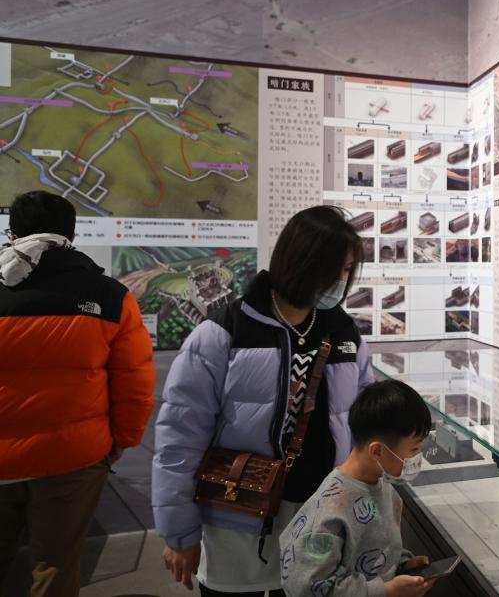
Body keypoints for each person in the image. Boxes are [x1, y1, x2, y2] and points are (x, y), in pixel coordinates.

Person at [153, 205, 371, 596]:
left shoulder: (345, 334)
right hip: (237, 523)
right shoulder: (224, 332)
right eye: (335, 270)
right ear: (302, 263)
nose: (342, 281)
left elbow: (364, 421)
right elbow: (179, 439)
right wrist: (179, 533)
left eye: (347, 270)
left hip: (317, 522)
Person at [0, 191, 155, 597]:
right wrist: (122, 441)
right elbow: (134, 381)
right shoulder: (110, 296)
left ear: (12, 234)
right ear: (71, 235)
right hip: (72, 458)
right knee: (55, 566)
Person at [279, 380, 435, 597]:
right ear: (377, 451)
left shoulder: (384, 488)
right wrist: (386, 591)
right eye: (414, 448)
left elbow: (377, 550)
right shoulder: (328, 514)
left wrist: (401, 566)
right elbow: (307, 588)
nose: (418, 456)